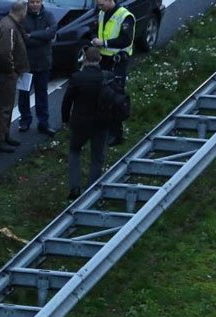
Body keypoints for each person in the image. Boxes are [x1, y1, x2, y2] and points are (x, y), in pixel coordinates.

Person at [60, 48, 111, 200]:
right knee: (97, 157)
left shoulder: (77, 78)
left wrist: (65, 119)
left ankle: (75, 186)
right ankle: (91, 192)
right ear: (100, 59)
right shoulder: (106, 77)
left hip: (80, 122)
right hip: (101, 123)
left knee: (75, 151)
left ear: (85, 59)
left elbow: (67, 101)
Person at [91, 0, 136, 145]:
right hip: (103, 58)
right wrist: (93, 38)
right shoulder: (101, 12)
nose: (98, 3)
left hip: (117, 61)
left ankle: (117, 135)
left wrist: (103, 43)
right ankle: (103, 129)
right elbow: (95, 28)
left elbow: (126, 39)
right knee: (101, 94)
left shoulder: (124, 16)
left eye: (101, 1)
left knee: (116, 96)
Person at [0, 0, 31, 153]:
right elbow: (5, 53)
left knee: (6, 105)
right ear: (22, 11)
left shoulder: (6, 23)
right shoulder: (10, 28)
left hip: (6, 73)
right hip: (7, 74)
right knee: (4, 107)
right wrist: (11, 70)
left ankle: (4, 134)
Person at [19, 0, 59, 135]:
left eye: (37, 1)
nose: (35, 4)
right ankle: (25, 120)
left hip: (43, 63)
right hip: (26, 63)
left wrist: (33, 35)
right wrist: (42, 36)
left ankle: (43, 123)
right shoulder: (23, 17)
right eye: (32, 2)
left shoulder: (48, 15)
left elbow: (51, 33)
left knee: (42, 94)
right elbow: (24, 38)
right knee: (24, 93)